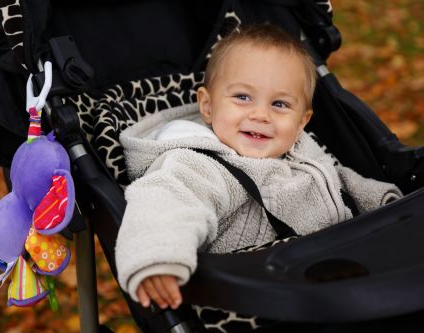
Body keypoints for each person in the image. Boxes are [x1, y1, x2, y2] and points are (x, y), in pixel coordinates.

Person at [115, 23, 402, 311]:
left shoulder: (299, 147)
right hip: (256, 298)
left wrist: (386, 203)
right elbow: (166, 202)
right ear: (208, 106)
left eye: (279, 104)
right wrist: (157, 256)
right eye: (242, 97)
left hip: (339, 273)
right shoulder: (197, 162)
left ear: (302, 121)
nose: (260, 114)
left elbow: (336, 180)